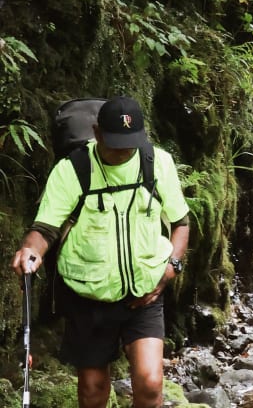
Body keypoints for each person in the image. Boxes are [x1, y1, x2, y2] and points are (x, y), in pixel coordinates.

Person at [10, 96, 191, 408]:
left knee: (149, 384)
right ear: (97, 132)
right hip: (88, 296)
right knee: (93, 391)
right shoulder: (73, 169)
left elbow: (181, 223)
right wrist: (31, 251)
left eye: (130, 144)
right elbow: (45, 229)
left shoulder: (157, 163)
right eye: (116, 143)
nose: (123, 152)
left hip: (145, 292)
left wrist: (171, 266)